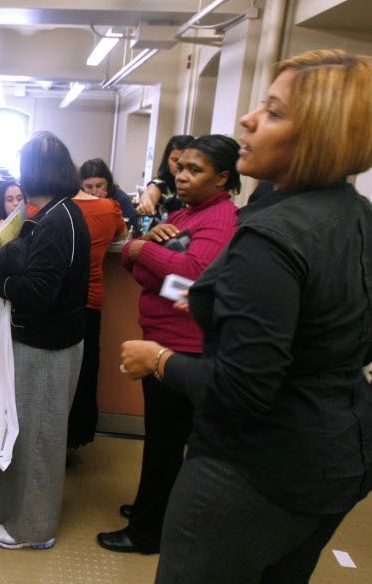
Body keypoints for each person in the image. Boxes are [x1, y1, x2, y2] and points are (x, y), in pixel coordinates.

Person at [119, 49, 372, 583]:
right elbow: (324, 319)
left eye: (273, 112)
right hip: (340, 453)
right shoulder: (350, 210)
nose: (248, 119)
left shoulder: (270, 235)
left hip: (257, 470)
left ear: (319, 135)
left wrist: (158, 360)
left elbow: (243, 389)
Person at [99, 134, 240, 555]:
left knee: (164, 443)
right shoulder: (188, 213)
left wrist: (144, 251)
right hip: (162, 338)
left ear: (222, 178)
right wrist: (143, 253)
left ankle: (148, 533)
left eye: (195, 170)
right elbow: (138, 269)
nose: (181, 176)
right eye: (180, 168)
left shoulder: (219, 218)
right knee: (161, 439)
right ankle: (152, 510)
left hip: (184, 348)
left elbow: (193, 275)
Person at [0, 131, 90, 550]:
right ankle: (17, 515)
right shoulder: (47, 215)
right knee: (25, 435)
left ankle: (33, 529)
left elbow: (39, 292)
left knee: (39, 441)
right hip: (39, 342)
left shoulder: (59, 220)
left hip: (49, 347)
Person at [66, 164, 126, 453]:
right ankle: (77, 438)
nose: (95, 190)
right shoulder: (109, 208)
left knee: (57, 374)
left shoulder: (55, 207)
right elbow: (119, 234)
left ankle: (54, 438)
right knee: (86, 372)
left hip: (59, 302)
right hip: (90, 301)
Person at [136, 135, 195, 218]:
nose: (179, 165)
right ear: (167, 159)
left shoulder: (197, 186)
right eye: (175, 160)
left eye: (186, 160)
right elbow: (151, 193)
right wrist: (146, 200)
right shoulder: (161, 183)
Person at [80, 158, 137, 224]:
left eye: (99, 186)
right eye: (89, 187)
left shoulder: (121, 199)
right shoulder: (76, 198)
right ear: (81, 186)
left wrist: (104, 206)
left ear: (108, 183)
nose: (94, 191)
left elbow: (132, 226)